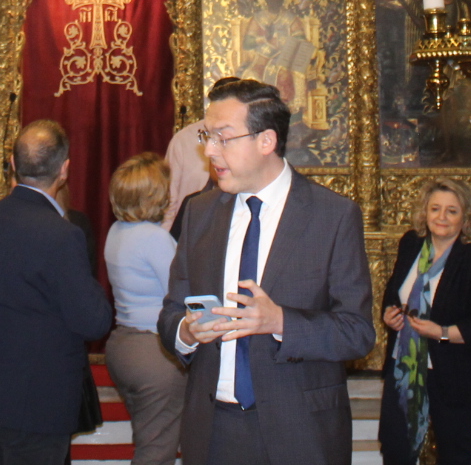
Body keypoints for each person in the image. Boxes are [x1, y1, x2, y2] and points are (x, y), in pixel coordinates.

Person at [156, 79, 373, 465]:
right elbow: (172, 311)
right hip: (213, 431)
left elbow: (357, 334)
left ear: (266, 141)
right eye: (208, 136)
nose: (210, 150)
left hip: (300, 432)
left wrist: (280, 322)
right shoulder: (199, 212)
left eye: (223, 138)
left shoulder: (332, 216)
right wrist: (186, 332)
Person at [0, 121, 112, 465]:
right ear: (64, 170)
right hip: (39, 403)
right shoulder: (62, 235)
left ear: (13, 163)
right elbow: (94, 321)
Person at [378, 178, 471, 465]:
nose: (441, 217)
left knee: (453, 454)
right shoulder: (411, 244)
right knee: (395, 449)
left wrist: (442, 332)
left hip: (453, 373)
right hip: (404, 366)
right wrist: (389, 314)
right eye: (435, 209)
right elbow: (394, 293)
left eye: (451, 211)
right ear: (425, 212)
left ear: (466, 218)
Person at [104, 154, 186, 465]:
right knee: (156, 453)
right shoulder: (154, 238)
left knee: (148, 441)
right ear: (155, 195)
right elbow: (181, 295)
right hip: (154, 352)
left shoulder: (117, 231)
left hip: (123, 345)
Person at [164, 78, 240, 232]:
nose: (210, 151)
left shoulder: (247, 140)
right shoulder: (183, 140)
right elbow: (168, 201)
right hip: (190, 228)